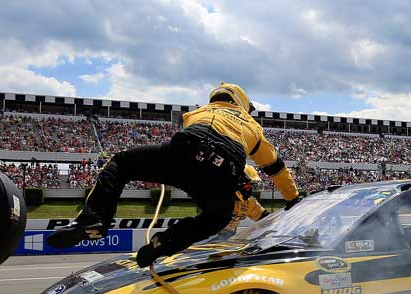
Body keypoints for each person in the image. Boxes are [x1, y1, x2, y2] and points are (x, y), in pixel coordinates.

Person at [47, 83, 302, 266]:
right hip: (226, 168)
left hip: (186, 151)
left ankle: (93, 220)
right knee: (217, 217)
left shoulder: (199, 112)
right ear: (243, 104)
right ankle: (164, 244)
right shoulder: (252, 126)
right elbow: (276, 168)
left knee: (121, 163)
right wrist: (292, 199)